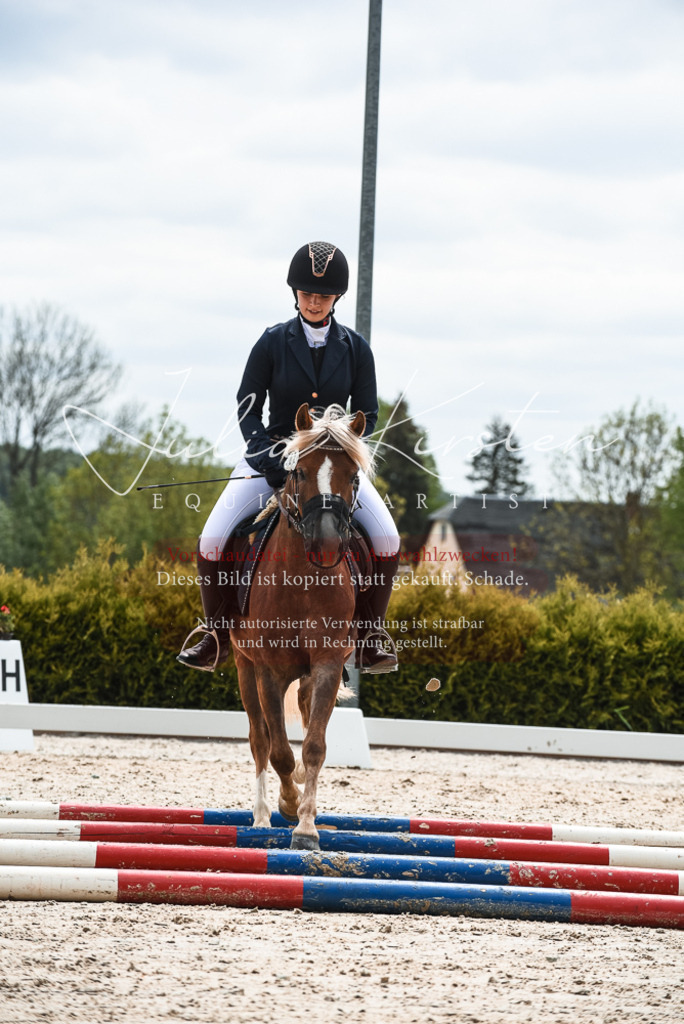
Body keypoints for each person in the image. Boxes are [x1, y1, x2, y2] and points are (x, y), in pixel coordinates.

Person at [177, 240, 400, 673]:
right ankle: (215, 634)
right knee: (211, 539)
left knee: (388, 539)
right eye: (306, 294)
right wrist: (267, 453)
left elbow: (368, 413)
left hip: (333, 466)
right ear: (294, 293)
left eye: (323, 295)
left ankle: (371, 635)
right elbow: (247, 404)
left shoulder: (356, 349)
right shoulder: (272, 342)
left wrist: (342, 448)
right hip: (273, 458)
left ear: (337, 298)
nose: (314, 302)